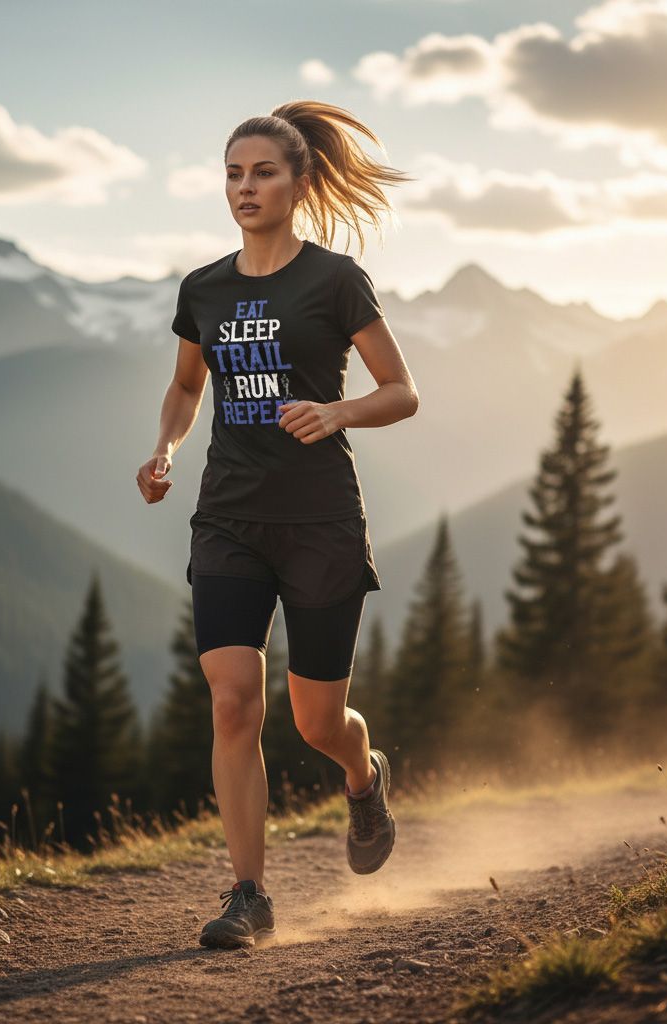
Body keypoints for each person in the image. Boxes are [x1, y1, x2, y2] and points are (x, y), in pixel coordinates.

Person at [135, 100, 419, 950]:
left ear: (298, 183)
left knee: (317, 724)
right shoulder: (205, 289)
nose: (244, 187)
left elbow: (401, 392)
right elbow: (188, 387)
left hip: (320, 523)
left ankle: (362, 777)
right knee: (232, 702)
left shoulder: (334, 280)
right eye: (232, 173)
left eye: (262, 172)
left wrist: (336, 414)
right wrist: (164, 450)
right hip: (228, 517)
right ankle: (248, 895)